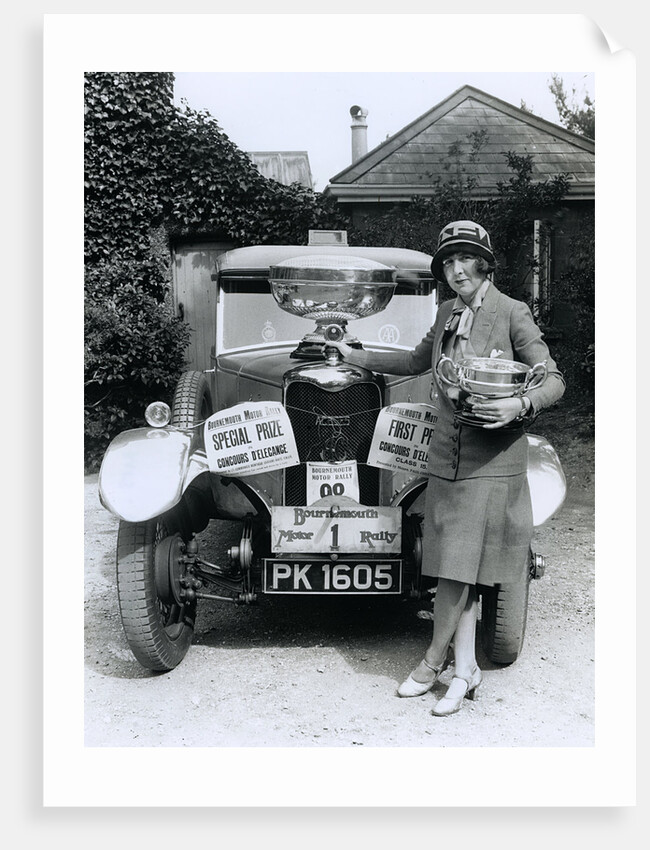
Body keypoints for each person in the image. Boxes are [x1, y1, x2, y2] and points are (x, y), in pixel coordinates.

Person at [329, 220, 565, 716]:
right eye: (448, 263)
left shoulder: (512, 312)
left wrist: (520, 405)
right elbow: (417, 360)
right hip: (446, 459)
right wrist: (361, 355)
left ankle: (434, 662)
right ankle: (466, 672)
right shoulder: (445, 313)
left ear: (484, 264)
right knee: (455, 568)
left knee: (459, 571)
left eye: (465, 260)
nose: (456, 271)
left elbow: (553, 379)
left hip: (492, 460)